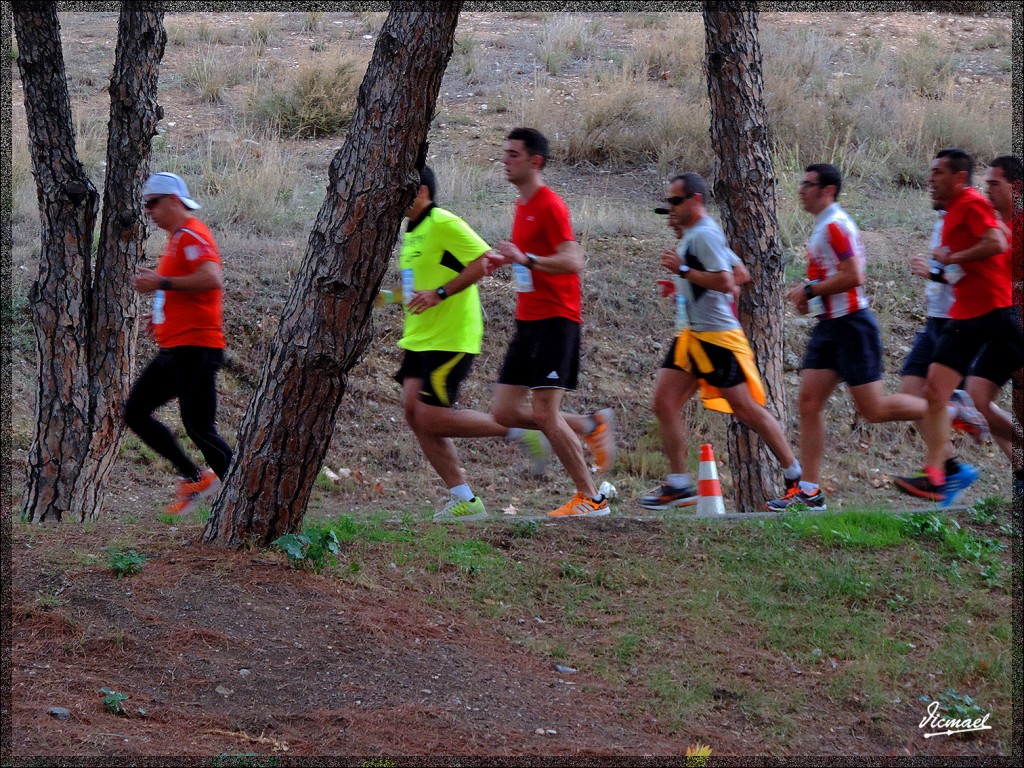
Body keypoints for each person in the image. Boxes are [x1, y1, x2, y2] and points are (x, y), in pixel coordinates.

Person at [768, 162, 987, 511]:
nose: (801, 189)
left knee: (874, 409)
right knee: (809, 403)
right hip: (831, 325)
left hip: (853, 326)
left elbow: (854, 275)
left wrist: (809, 290)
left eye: (809, 184)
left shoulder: (836, 225)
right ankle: (810, 490)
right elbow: (830, 280)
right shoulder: (823, 227)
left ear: (828, 190)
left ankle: (950, 408)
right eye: (802, 183)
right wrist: (809, 297)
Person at [377, 166, 550, 521]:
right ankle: (465, 500)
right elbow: (415, 289)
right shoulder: (413, 231)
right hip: (419, 336)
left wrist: (441, 294)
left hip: (452, 335)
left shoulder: (443, 222)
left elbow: (485, 260)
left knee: (431, 417)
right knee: (414, 414)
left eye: (401, 188)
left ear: (421, 190)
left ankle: (517, 430)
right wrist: (384, 298)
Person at [641, 173, 802, 509]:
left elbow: (729, 281)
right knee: (664, 402)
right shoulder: (698, 235)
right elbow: (740, 273)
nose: (669, 210)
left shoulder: (704, 235)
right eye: (667, 203)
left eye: (674, 202)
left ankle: (798, 480)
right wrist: (684, 287)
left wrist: (684, 272)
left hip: (716, 339)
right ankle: (678, 484)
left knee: (746, 409)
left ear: (695, 201)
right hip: (693, 336)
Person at [489, 127, 616, 518]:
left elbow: (574, 260)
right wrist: (508, 259)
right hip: (527, 322)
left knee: (545, 414)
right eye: (505, 153)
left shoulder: (550, 205)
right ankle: (588, 424)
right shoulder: (521, 206)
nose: (505, 160)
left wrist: (526, 259)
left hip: (556, 320)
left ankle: (591, 498)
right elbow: (528, 258)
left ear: (535, 161)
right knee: (503, 412)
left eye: (513, 154)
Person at [895, 149, 1018, 501]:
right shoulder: (952, 213)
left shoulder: (971, 202)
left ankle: (955, 434)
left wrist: (952, 257)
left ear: (959, 177)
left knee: (939, 393)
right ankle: (941, 472)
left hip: (987, 311)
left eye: (938, 172)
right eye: (930, 171)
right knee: (932, 392)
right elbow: (962, 268)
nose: (931, 179)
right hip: (966, 312)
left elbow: (996, 242)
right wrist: (939, 271)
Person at [126, 172, 233, 515]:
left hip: (196, 346)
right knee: (136, 412)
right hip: (176, 347)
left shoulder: (192, 233)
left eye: (152, 203)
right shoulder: (177, 239)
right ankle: (195, 477)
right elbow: (183, 288)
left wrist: (162, 282)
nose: (148, 211)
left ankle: (241, 491)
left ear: (172, 200)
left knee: (199, 426)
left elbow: (212, 278)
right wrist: (160, 315)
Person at [897, 209, 985, 506]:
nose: (932, 181)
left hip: (957, 322)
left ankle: (960, 409)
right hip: (934, 320)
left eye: (939, 174)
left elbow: (971, 273)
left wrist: (933, 273)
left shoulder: (968, 221)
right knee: (910, 396)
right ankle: (954, 469)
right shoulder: (941, 222)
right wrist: (932, 287)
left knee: (948, 400)